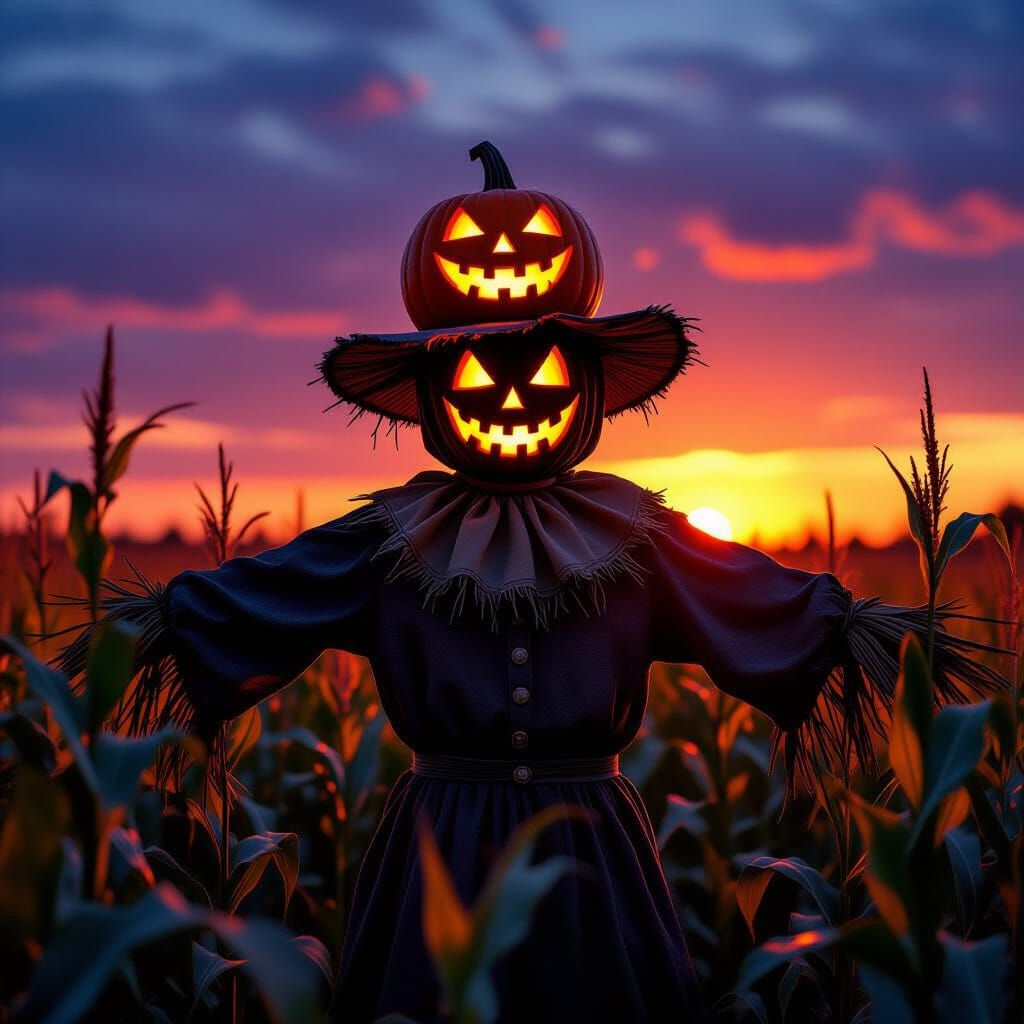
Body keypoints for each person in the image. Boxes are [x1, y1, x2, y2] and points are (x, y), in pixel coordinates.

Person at [61, 143, 1002, 1023]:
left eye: (542, 370)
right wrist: (105, 661)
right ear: (433, 392)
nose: (511, 400)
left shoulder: (636, 538)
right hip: (441, 852)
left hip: (591, 857)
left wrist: (897, 649)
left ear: (587, 387)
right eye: (476, 373)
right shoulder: (385, 541)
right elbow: (250, 600)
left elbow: (760, 599)